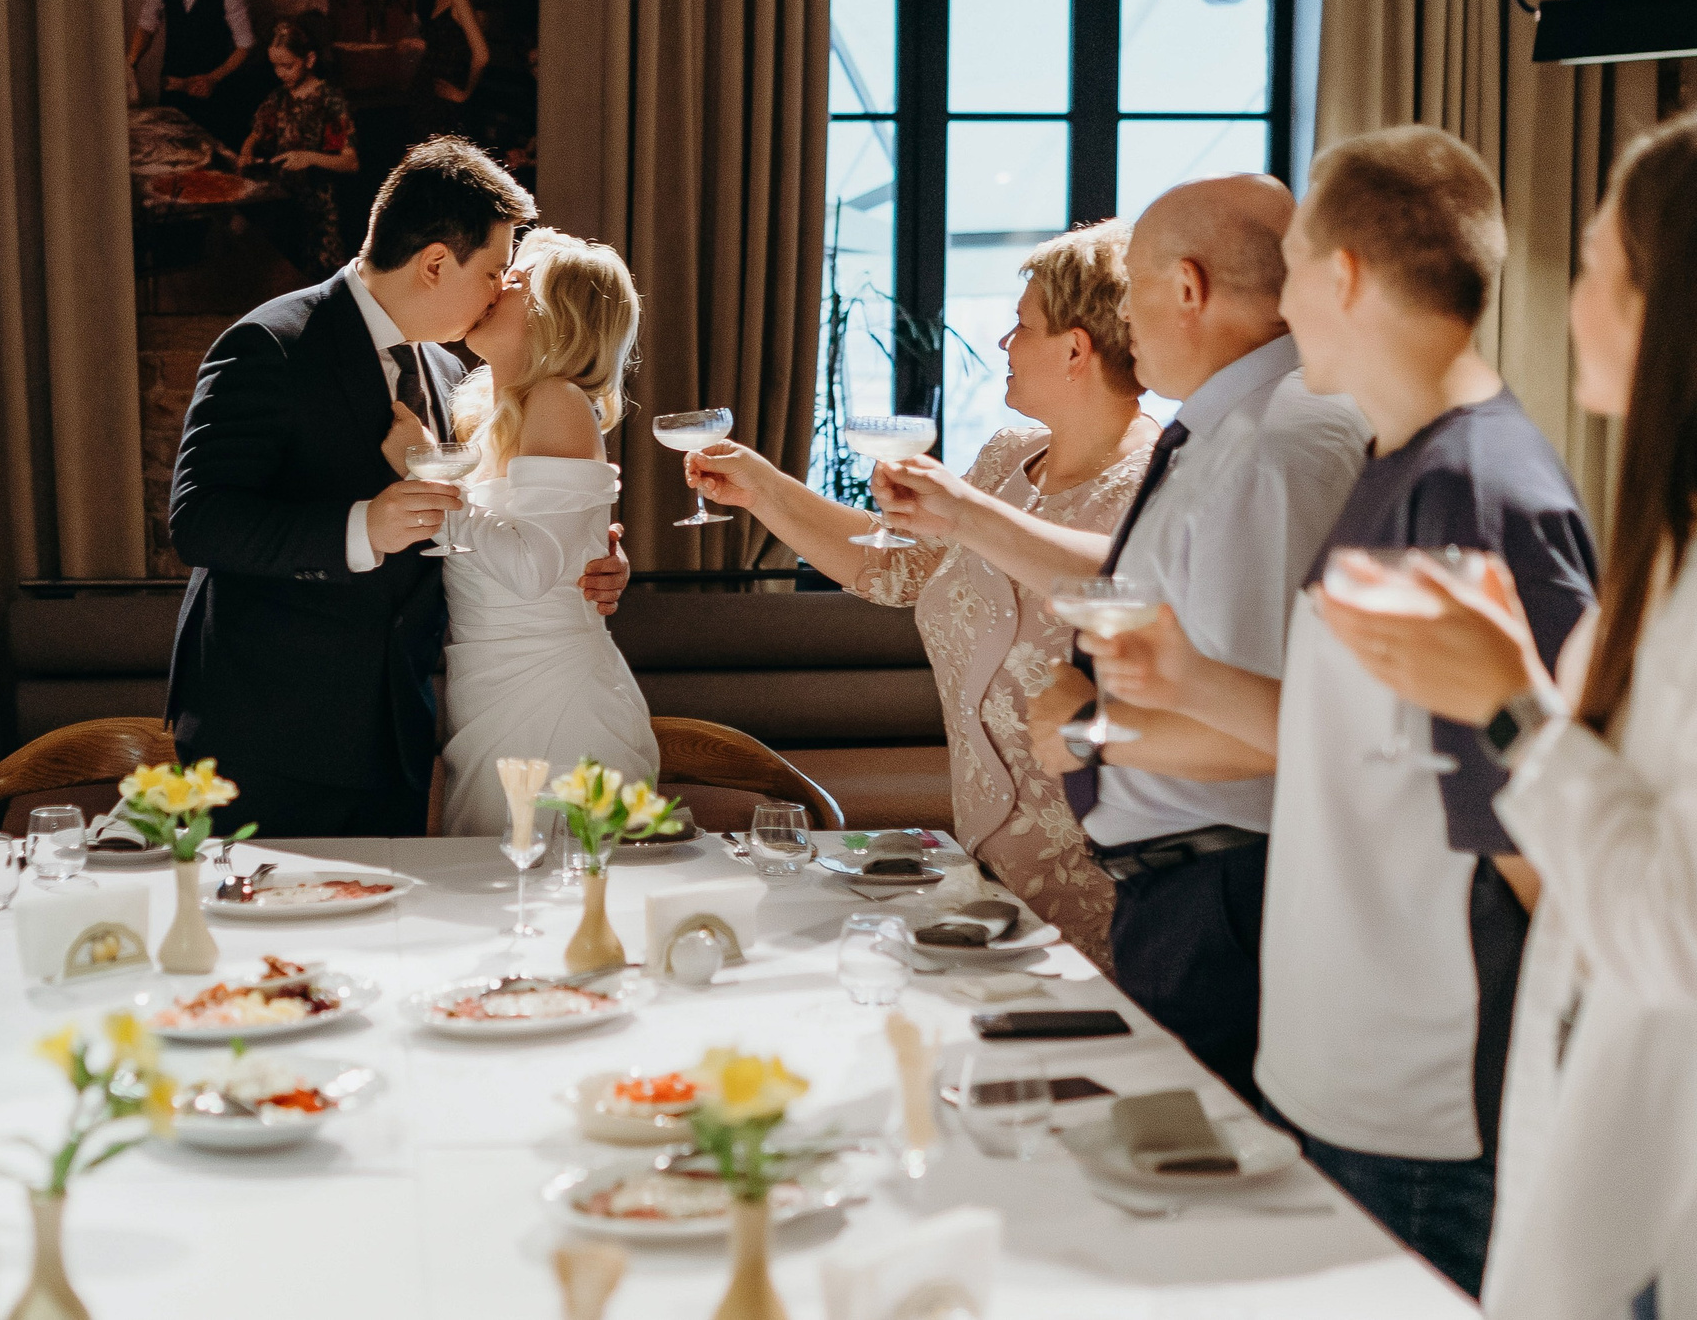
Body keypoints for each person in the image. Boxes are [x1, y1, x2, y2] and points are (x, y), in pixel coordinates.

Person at [1081, 128, 1595, 1294]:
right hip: (1331, 1062)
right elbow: (1372, 747)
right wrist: (1187, 679)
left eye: (1295, 269)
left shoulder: (1478, 488)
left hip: (1418, 1095)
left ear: (1345, 276)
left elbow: (1546, 829)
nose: (1278, 303)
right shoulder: (1398, 465)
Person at [1309, 113, 1697, 1319]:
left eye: (1593, 265)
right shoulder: (1666, 555)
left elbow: (1676, 933)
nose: (1568, 295)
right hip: (1584, 1117)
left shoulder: (1484, 482)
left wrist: (1508, 707)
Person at [876, 175, 1369, 1099]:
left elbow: (1275, 725)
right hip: (1179, 888)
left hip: (1222, 890)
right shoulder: (1227, 432)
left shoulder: (1274, 449)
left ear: (1186, 288)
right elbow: (1149, 604)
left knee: (1188, 1174)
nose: (1122, 319)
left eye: (1134, 285)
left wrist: (1086, 731)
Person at [688, 223, 1156, 963]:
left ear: (1076, 349)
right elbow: (897, 568)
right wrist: (762, 488)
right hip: (980, 858)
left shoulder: (1154, 481)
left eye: (1022, 324)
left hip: (1107, 877)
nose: (1004, 342)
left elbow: (1130, 589)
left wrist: (967, 513)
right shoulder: (1007, 457)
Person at [165, 137, 628, 837]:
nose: (504, 286)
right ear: (436, 262)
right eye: (497, 269)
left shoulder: (453, 379)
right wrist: (362, 528)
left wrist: (594, 561)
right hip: (271, 733)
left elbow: (522, 526)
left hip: (400, 739)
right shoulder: (270, 344)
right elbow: (199, 521)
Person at [424, 229, 656, 836]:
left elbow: (530, 568)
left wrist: (424, 474)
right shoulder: (485, 414)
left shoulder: (556, 400)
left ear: (559, 319)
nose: (497, 286)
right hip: (487, 685)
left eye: (516, 279)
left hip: (550, 694)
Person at [234, 19, 358, 277]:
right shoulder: (279, 97)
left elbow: (350, 161)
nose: (280, 73)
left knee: (318, 281)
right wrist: (247, 151)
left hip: (320, 212)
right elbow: (255, 133)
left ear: (309, 59)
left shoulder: (329, 102)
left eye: (287, 66)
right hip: (284, 205)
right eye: (275, 66)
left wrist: (309, 158)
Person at [128, 0, 255, 149]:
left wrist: (213, 78)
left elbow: (245, 46)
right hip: (172, 89)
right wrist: (130, 64)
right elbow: (147, 25)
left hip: (214, 96)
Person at [408, 0, 490, 143]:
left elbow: (481, 55)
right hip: (427, 95)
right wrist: (419, 44)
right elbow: (450, 41)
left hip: (445, 102)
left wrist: (465, 94)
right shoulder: (438, 0)